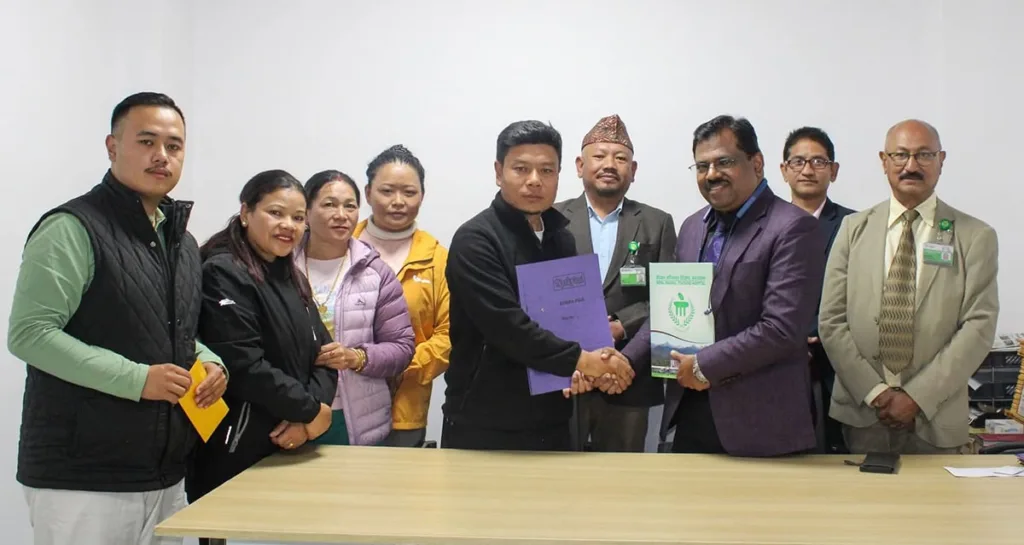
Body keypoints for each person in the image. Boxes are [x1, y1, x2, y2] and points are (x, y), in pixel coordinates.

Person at [8, 92, 227, 545]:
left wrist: (210, 361)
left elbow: (170, 329)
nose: (162, 155)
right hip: (83, 479)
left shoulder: (181, 241)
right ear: (112, 147)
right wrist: (137, 379)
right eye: (147, 141)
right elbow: (30, 334)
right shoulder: (72, 227)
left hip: (165, 474)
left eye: (174, 145)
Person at [622, 115, 824, 456]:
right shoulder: (692, 227)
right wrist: (624, 361)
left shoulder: (792, 228)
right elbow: (667, 309)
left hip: (760, 422)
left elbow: (781, 329)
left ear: (756, 163)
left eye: (724, 162)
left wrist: (704, 365)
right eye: (702, 166)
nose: (712, 174)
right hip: (691, 411)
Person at [442, 119, 635, 452]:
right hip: (485, 422)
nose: (534, 180)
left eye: (547, 170)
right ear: (499, 172)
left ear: (559, 174)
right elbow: (508, 327)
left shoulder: (561, 237)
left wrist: (584, 366)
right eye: (521, 169)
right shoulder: (476, 240)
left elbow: (570, 321)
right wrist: (585, 361)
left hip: (553, 417)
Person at [819, 119, 999, 454]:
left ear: (941, 160)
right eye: (900, 155)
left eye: (924, 155)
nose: (911, 166)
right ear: (883, 161)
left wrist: (917, 397)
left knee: (936, 492)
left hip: (937, 418)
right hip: (863, 414)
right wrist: (876, 392)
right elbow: (831, 321)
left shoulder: (975, 236)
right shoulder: (852, 229)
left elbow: (979, 326)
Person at [186, 170, 337, 509]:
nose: (288, 225)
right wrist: (311, 411)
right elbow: (244, 366)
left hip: (293, 441)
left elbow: (325, 354)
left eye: (298, 218)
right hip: (237, 448)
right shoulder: (223, 272)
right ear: (245, 213)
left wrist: (308, 421)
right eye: (275, 213)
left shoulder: (292, 276)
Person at [555, 114, 676, 452]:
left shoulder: (657, 223)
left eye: (620, 158)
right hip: (568, 377)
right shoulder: (552, 219)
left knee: (623, 478)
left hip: (629, 379)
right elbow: (540, 299)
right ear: (580, 165)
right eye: (599, 156)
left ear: (633, 171)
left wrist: (622, 325)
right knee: (558, 474)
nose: (609, 164)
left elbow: (669, 297)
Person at [296, 170, 415, 446]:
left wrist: (355, 357)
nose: (342, 215)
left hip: (355, 416)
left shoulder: (375, 272)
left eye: (350, 206)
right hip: (292, 409)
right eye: (329, 204)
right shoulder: (280, 265)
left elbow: (402, 347)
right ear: (306, 211)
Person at [353, 145, 450, 448]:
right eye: (387, 191)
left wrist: (398, 364)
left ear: (422, 196)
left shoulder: (437, 258)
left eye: (409, 192)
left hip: (405, 408)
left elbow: (450, 333)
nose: (398, 202)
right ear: (368, 193)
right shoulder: (339, 246)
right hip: (338, 401)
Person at [779, 126, 855, 454]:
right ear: (784, 170)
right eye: (798, 161)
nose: (807, 170)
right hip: (776, 360)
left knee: (839, 453)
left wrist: (817, 332)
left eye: (818, 162)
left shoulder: (855, 226)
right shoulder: (763, 224)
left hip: (838, 362)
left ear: (833, 171)